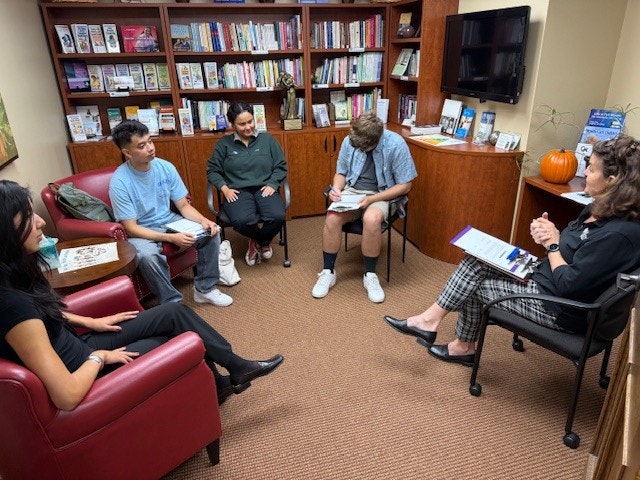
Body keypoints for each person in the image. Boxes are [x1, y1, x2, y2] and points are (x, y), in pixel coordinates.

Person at [0, 180, 284, 409]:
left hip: (80, 342)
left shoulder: (14, 274)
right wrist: (99, 357)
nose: (39, 222)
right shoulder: (12, 306)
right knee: (179, 338)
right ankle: (221, 382)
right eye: (27, 216)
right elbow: (66, 395)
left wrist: (89, 321)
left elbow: (41, 314)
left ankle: (234, 368)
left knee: (175, 312)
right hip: (87, 369)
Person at [384, 135, 640, 366]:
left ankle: (445, 334)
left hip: (561, 308)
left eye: (591, 169)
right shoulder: (598, 207)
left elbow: (569, 286)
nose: (584, 172)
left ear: (612, 181)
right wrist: (549, 232)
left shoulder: (619, 235)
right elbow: (575, 246)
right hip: (545, 275)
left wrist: (552, 244)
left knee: (475, 284)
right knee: (476, 259)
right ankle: (444, 332)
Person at [109, 120, 232, 306]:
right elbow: (131, 228)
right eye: (142, 146)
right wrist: (171, 239)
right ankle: (172, 303)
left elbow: (183, 206)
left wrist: (204, 220)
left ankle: (205, 289)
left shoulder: (165, 167)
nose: (150, 148)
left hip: (169, 221)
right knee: (146, 257)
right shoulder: (119, 182)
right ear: (127, 153)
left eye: (150, 141)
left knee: (211, 232)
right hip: (142, 230)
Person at [311, 111, 417, 303]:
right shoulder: (349, 140)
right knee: (332, 216)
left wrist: (372, 199)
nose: (357, 148)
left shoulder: (396, 144)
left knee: (371, 219)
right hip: (353, 191)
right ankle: (328, 271)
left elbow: (405, 185)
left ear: (375, 141)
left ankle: (370, 275)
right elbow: (341, 173)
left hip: (382, 193)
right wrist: (336, 188)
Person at [207, 102, 288, 266]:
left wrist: (273, 184)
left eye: (250, 121)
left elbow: (281, 165)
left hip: (265, 187)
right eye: (242, 124)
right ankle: (261, 241)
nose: (247, 127)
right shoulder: (224, 144)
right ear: (233, 125)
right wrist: (224, 188)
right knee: (242, 221)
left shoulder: (267, 140)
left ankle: (258, 241)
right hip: (237, 191)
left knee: (277, 216)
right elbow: (212, 170)